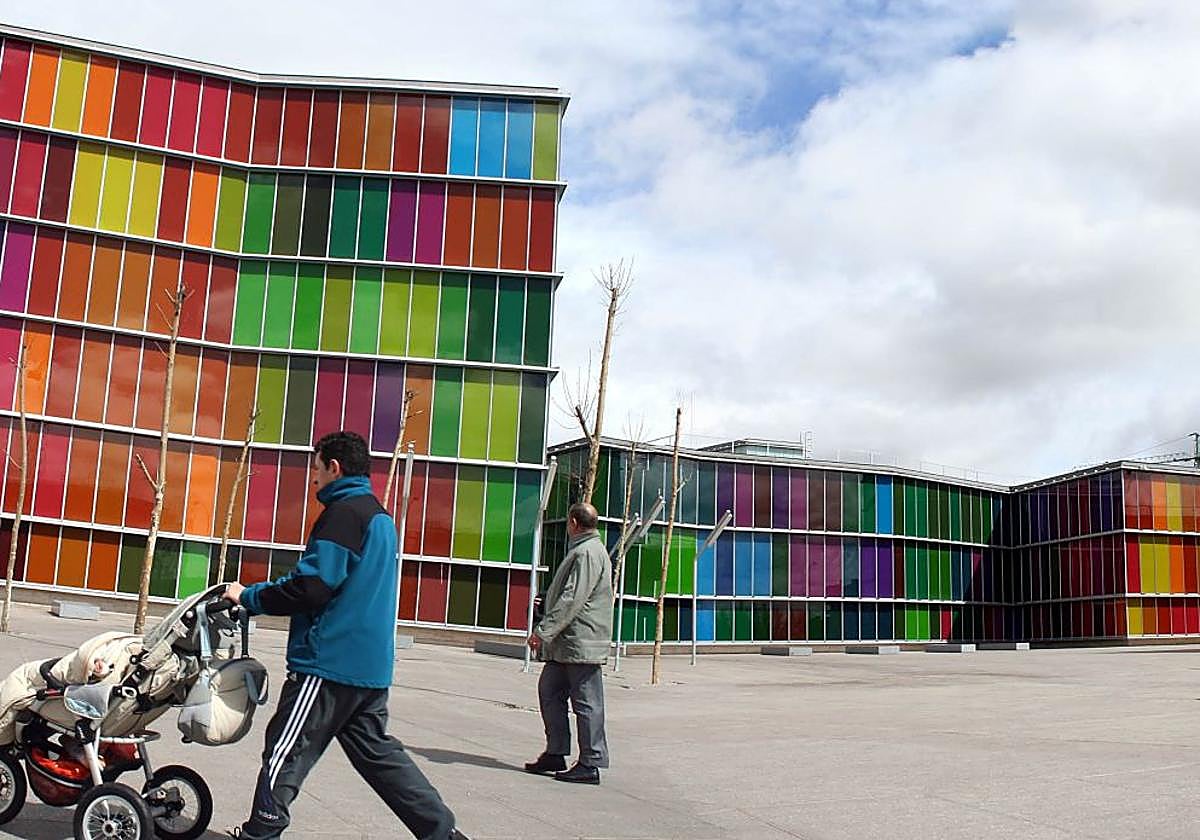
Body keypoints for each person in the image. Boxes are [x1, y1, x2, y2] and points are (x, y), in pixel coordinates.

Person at [223, 431, 468, 840]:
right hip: (369, 668)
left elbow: (313, 586)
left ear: (334, 467)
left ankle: (262, 830)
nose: (313, 479)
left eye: (316, 469)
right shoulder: (379, 516)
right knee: (382, 759)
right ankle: (442, 833)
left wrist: (248, 596)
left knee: (285, 748)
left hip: (328, 663)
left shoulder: (342, 514)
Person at [524, 502, 613, 785]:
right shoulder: (583, 550)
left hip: (581, 642)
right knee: (549, 691)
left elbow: (573, 598)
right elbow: (567, 594)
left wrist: (543, 631)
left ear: (573, 522)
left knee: (587, 702)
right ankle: (556, 752)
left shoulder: (587, 552)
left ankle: (591, 762)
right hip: (568, 643)